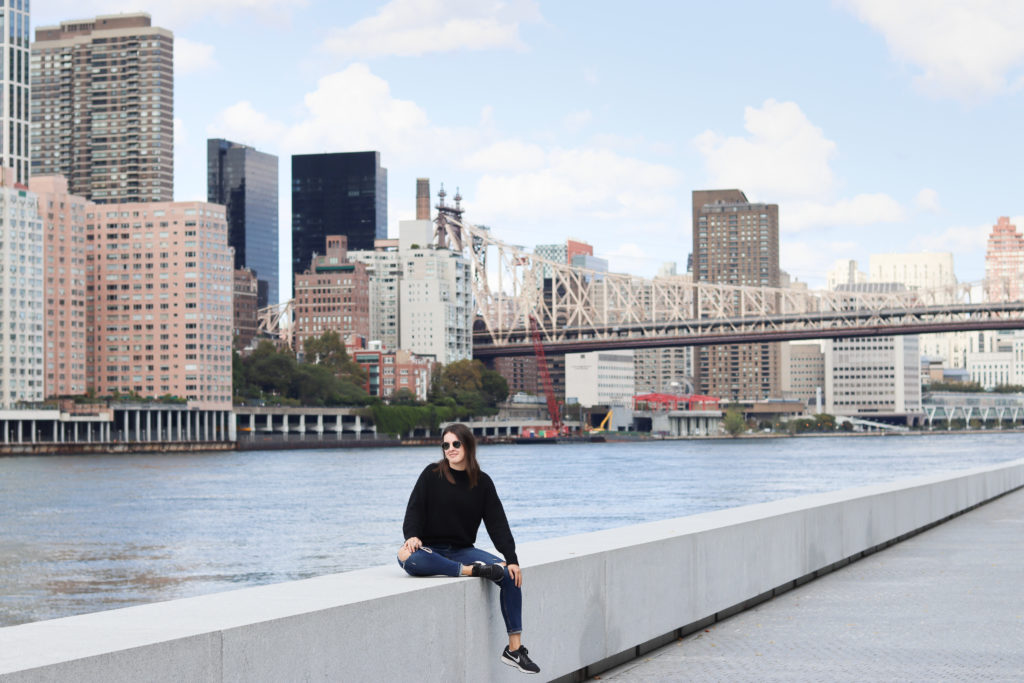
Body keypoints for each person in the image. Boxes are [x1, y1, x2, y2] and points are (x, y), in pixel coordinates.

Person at [397, 423, 540, 675]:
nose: (450, 449)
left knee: (508, 573)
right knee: (404, 554)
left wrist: (512, 558)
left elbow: (498, 524)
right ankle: (469, 571)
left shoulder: (482, 482)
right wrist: (412, 536)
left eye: (455, 444)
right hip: (430, 550)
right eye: (445, 445)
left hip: (462, 549)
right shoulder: (431, 474)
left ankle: (514, 650)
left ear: (468, 446)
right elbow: (414, 510)